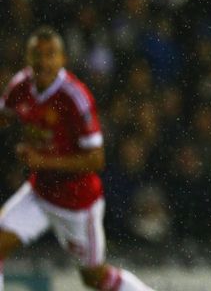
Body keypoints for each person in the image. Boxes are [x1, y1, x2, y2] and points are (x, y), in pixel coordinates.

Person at [0, 27, 154, 291]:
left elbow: (96, 159)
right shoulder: (21, 86)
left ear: (63, 60)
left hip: (77, 203)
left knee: (95, 278)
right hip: (39, 193)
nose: (43, 61)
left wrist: (43, 161)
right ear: (28, 57)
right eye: (37, 54)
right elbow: (5, 114)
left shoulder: (75, 98)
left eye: (51, 55)